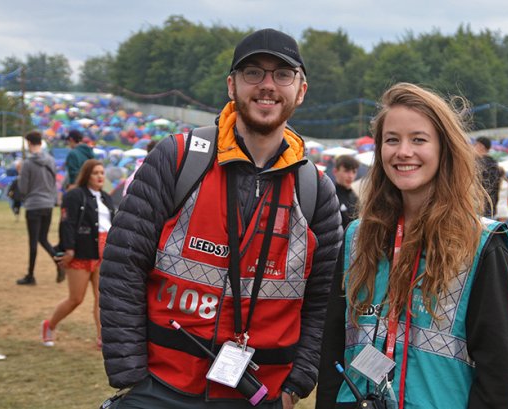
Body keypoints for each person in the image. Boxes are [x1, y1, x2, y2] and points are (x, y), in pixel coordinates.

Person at [98, 28, 342, 409]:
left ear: (301, 90)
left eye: (282, 74)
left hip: (259, 395)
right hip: (163, 388)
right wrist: (132, 378)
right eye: (253, 73)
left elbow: (322, 301)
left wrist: (296, 384)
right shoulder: (177, 158)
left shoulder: (315, 191)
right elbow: (122, 265)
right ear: (232, 85)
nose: (267, 86)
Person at [316, 83, 508, 409]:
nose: (403, 151)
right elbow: (333, 350)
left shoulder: (482, 245)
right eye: (392, 139)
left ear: (444, 149)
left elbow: (500, 375)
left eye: (419, 139)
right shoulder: (357, 237)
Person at [43, 159, 115, 348]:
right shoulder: (75, 195)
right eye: (95, 173)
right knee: (76, 298)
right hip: (82, 252)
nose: (100, 176)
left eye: (102, 172)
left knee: (102, 300)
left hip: (104, 253)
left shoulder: (107, 197)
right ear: (87, 175)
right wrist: (69, 248)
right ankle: (49, 325)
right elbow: (66, 223)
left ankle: (102, 338)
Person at [16, 131, 61, 286]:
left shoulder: (27, 163)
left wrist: (19, 175)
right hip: (48, 204)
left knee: (33, 241)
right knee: (43, 238)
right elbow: (54, 183)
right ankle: (59, 262)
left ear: (29, 143)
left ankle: (30, 275)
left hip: (34, 204)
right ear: (40, 143)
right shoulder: (51, 160)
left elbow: (23, 188)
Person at [474, 136, 503, 217]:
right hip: (491, 207)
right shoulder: (494, 163)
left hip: (480, 209)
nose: (473, 148)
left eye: (475, 145)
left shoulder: (479, 164)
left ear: (481, 146)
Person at [332, 154, 359, 230]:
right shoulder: (330, 195)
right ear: (335, 171)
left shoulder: (355, 197)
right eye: (346, 171)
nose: (351, 176)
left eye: (354, 172)